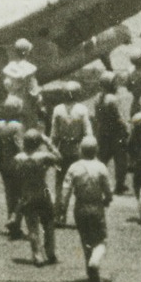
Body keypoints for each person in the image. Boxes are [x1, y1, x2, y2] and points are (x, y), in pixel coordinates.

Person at [57, 137, 113, 282]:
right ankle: (95, 262)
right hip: (96, 206)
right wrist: (108, 198)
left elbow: (66, 190)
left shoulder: (74, 167)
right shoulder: (101, 167)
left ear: (81, 150)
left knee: (86, 240)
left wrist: (62, 209)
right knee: (101, 240)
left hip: (80, 207)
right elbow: (108, 190)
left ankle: (91, 273)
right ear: (96, 150)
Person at [13, 129, 60, 267]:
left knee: (32, 227)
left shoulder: (19, 158)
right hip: (42, 191)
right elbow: (59, 158)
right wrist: (48, 142)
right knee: (49, 223)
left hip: (28, 193)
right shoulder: (43, 156)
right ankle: (50, 252)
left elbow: (15, 175)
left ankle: (37, 255)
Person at [49, 82, 93, 224]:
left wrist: (53, 150)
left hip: (62, 149)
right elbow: (88, 133)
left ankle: (59, 214)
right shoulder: (82, 110)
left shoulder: (58, 109)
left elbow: (54, 134)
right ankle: (82, 215)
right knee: (79, 182)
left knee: (60, 183)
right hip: (77, 149)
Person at [93, 72, 130, 194]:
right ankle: (119, 185)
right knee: (120, 161)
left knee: (102, 158)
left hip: (102, 132)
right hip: (116, 133)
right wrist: (127, 129)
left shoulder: (97, 98)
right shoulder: (113, 99)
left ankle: (96, 182)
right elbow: (119, 117)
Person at [0, 117, 25, 238]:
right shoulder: (17, 126)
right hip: (17, 164)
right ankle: (15, 220)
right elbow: (20, 146)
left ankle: (11, 219)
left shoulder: (0, 125)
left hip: (5, 165)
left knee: (9, 195)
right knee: (21, 194)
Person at [2, 39, 42, 128]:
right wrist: (39, 100)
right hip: (25, 103)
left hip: (11, 101)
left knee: (13, 126)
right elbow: (33, 90)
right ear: (26, 52)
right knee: (28, 127)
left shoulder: (10, 67)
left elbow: (7, 84)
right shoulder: (29, 68)